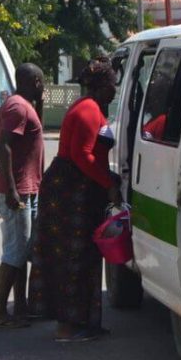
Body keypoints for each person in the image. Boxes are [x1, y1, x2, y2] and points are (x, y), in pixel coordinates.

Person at [29, 57, 121, 342]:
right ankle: (68, 328)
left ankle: (82, 323)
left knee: (83, 257)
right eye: (113, 84)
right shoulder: (88, 111)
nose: (115, 90)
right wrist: (109, 184)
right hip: (71, 191)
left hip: (76, 188)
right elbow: (84, 156)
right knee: (74, 258)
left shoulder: (89, 108)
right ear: (102, 85)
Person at [0, 63, 45, 329]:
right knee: (14, 251)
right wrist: (12, 189)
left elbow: (32, 138)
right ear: (36, 82)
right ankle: (0, 312)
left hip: (27, 188)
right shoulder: (18, 107)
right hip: (17, 190)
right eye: (42, 82)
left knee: (22, 250)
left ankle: (21, 307)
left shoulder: (24, 104)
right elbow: (4, 147)